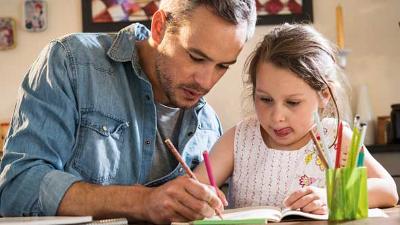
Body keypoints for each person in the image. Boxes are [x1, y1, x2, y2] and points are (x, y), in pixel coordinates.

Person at [0, 0, 256, 224]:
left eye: (222, 66)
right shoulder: (71, 62)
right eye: (196, 57)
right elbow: (18, 187)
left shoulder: (209, 126)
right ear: (159, 27)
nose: (206, 81)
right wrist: (143, 202)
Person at [194, 23, 399, 214]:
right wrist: (201, 197)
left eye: (292, 103)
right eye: (265, 99)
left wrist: (332, 196)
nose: (277, 117)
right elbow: (195, 187)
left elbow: (388, 190)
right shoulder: (239, 139)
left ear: (324, 95)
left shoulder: (335, 137)